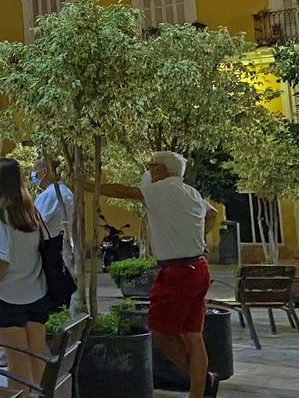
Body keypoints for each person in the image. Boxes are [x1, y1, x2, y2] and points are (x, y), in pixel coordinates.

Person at [102, 151, 220, 398]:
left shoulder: (161, 189)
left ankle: (199, 377)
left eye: (151, 166)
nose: (148, 171)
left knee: (158, 331)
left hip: (175, 271)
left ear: (161, 170)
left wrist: (89, 185)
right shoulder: (191, 193)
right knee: (193, 335)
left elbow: (123, 192)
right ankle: (199, 388)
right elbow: (212, 214)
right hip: (198, 267)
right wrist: (198, 237)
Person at [0, 158, 52, 392]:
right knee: (36, 357)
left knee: (16, 362)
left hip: (6, 295)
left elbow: (1, 257)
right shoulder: (30, 210)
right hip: (36, 292)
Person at [32, 156, 75, 270]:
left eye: (35, 171)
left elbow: (34, 223)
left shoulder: (50, 195)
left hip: (54, 251)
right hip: (66, 249)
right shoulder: (65, 191)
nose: (33, 175)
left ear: (44, 172)